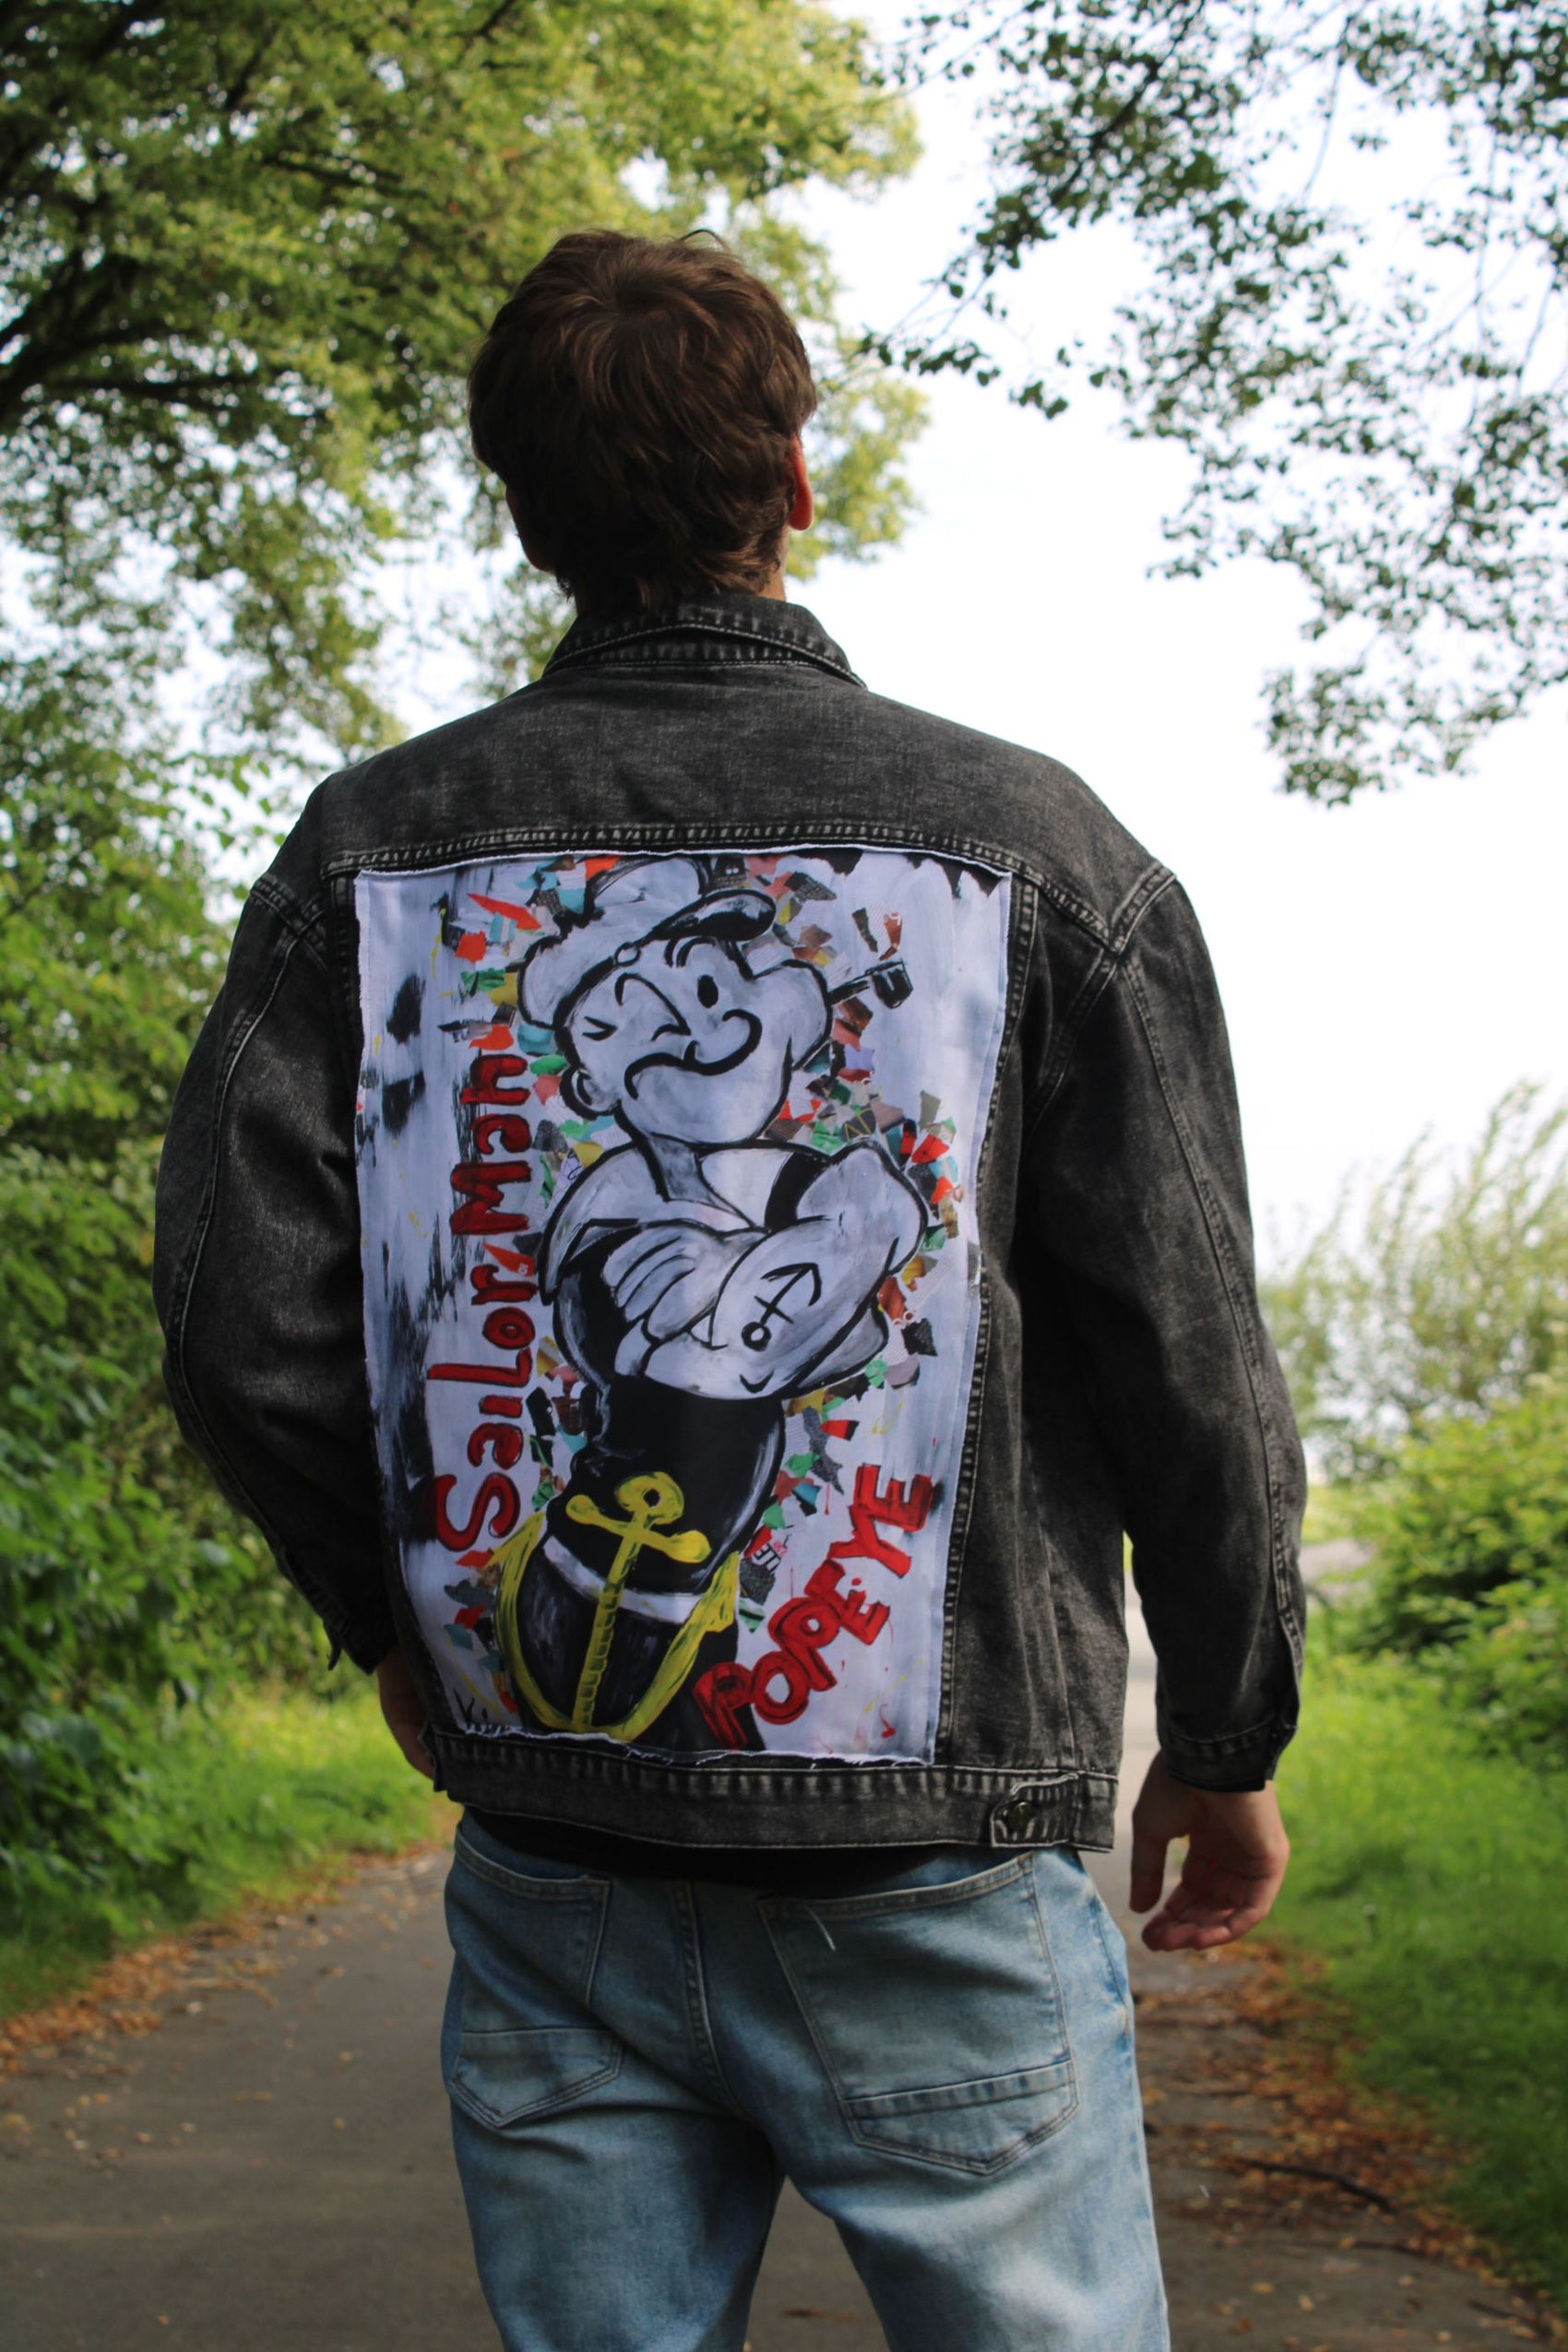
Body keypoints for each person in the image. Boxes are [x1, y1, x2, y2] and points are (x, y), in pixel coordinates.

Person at [154, 229, 1305, 2352]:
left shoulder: (368, 850)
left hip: (556, 1841)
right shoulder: (1030, 846)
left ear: (522, 515)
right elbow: (1187, 1346)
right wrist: (1225, 1728)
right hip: (938, 1864)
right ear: (794, 482)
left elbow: (241, 1320)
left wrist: (392, 1614)